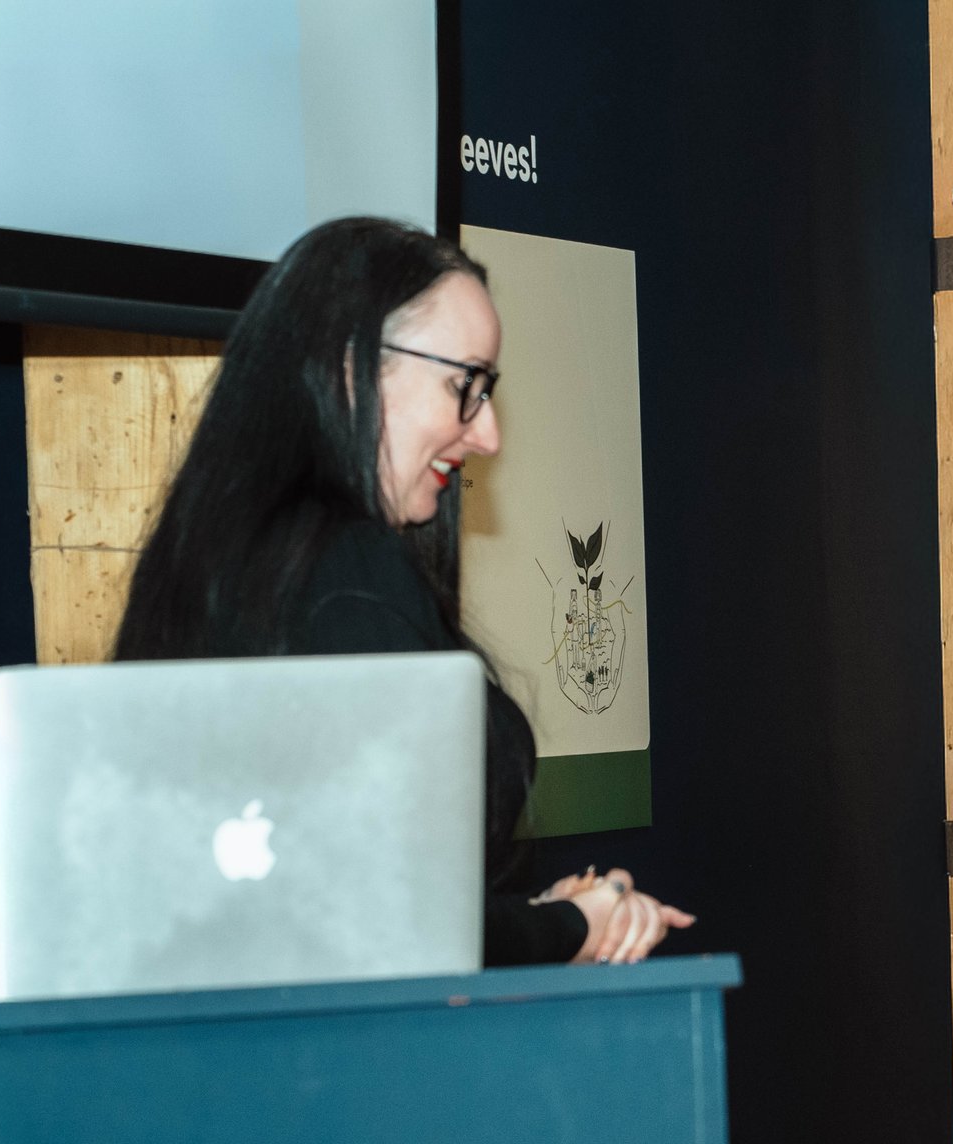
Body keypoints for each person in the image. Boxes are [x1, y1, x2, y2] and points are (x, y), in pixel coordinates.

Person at [113, 217, 690, 966]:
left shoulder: (216, 563)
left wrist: (538, 920)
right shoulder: (350, 568)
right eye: (465, 386)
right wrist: (574, 928)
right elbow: (397, 925)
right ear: (352, 368)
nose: (488, 436)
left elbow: (332, 904)